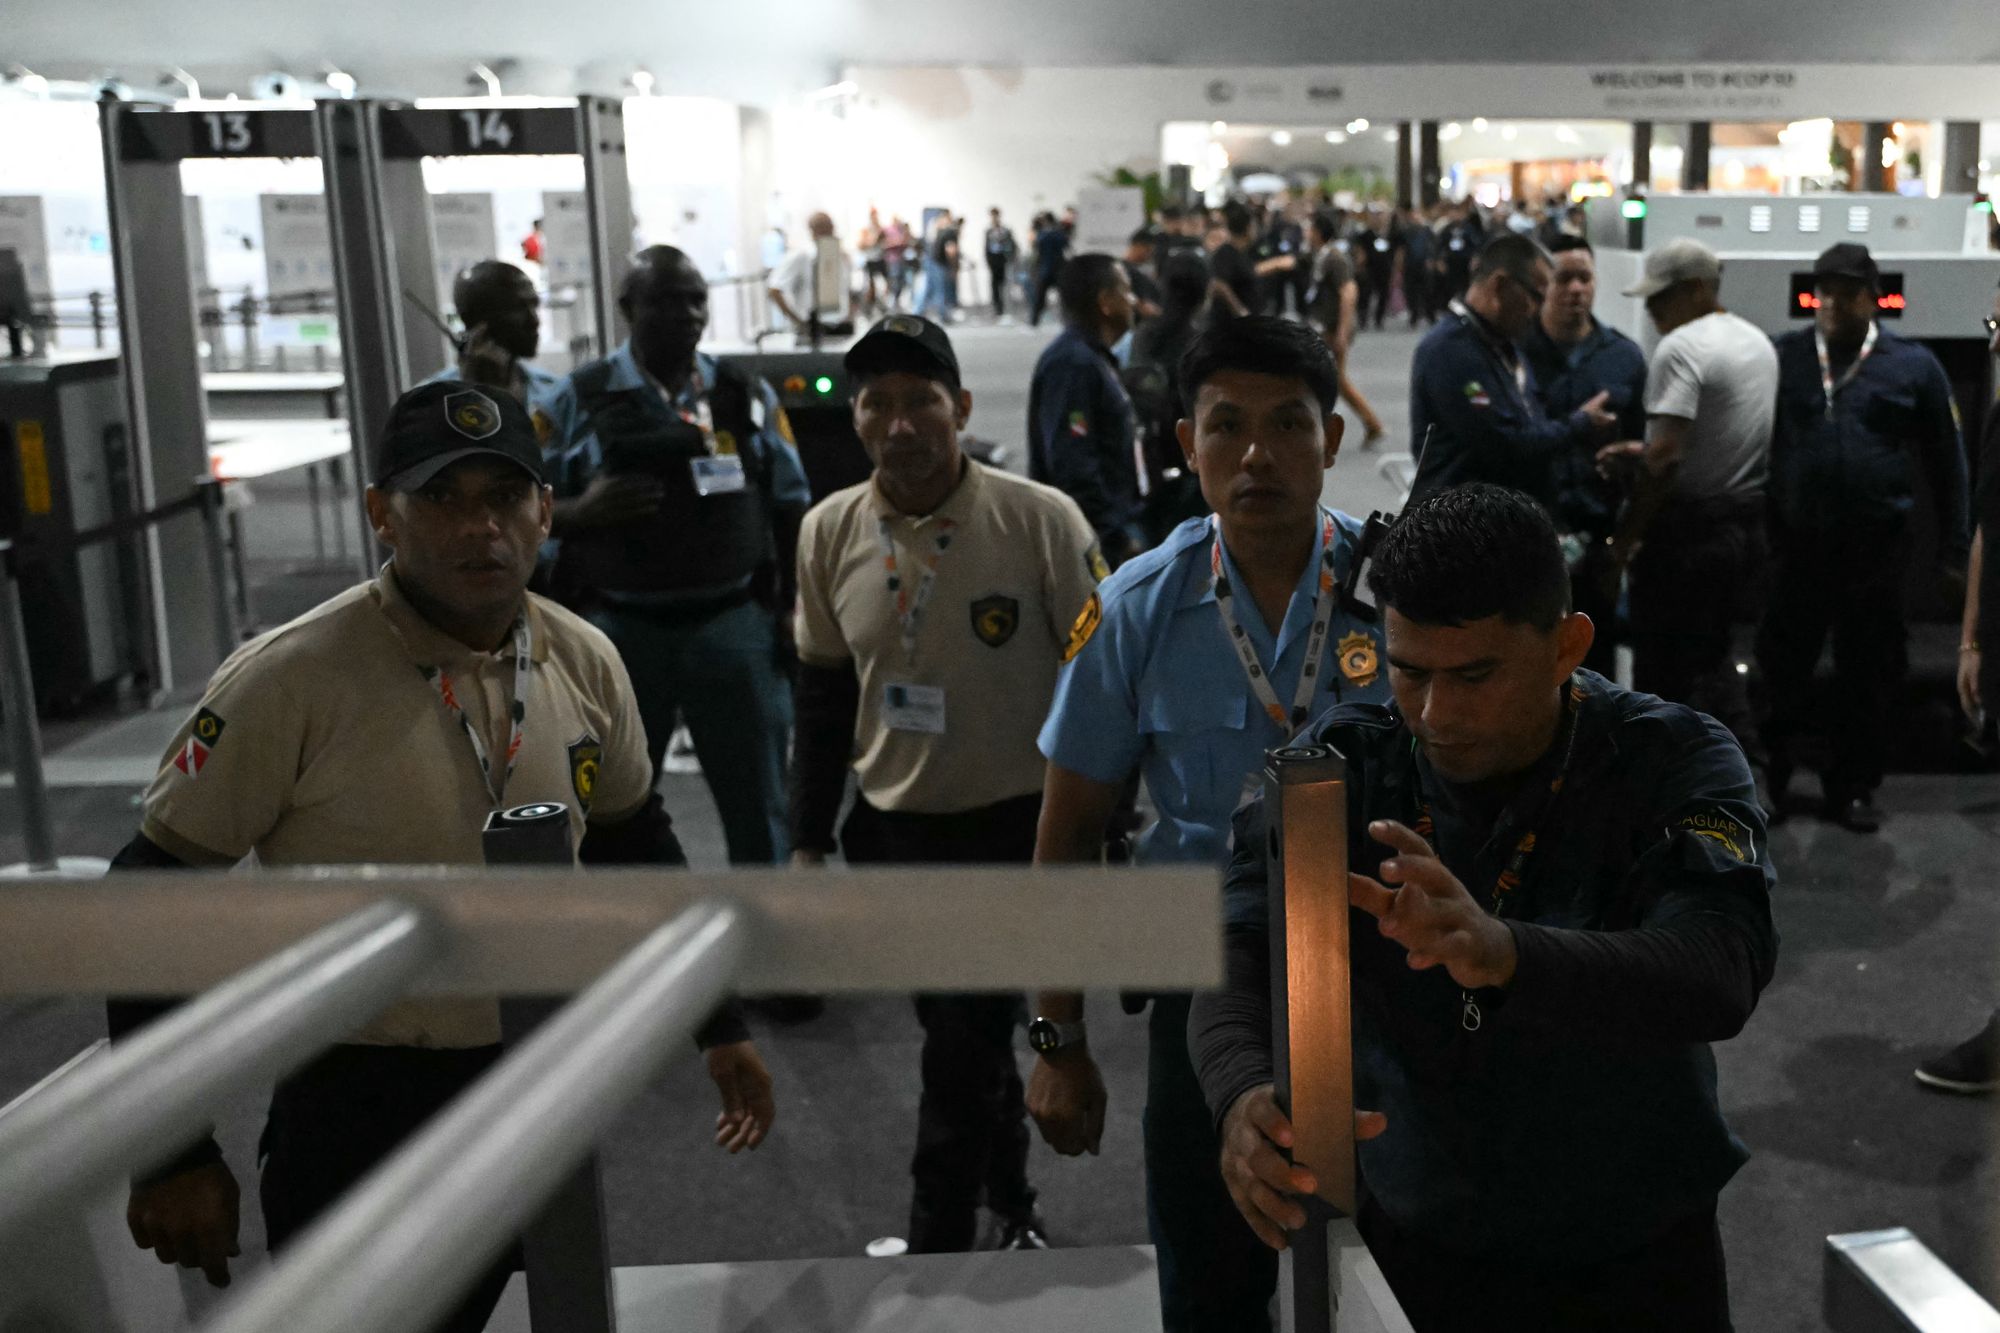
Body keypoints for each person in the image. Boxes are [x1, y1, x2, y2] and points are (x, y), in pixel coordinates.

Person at [109, 382, 773, 1327]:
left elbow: (635, 838)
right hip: (358, 1094)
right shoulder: (294, 677)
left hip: (538, 1078)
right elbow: (150, 892)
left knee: (544, 1308)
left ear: (545, 509)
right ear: (382, 515)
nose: (481, 528)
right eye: (443, 497)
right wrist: (169, 1146)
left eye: (504, 496)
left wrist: (721, 1023)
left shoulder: (584, 659)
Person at [1192, 483, 1776, 1333]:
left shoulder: (1670, 757)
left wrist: (1507, 953)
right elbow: (1233, 946)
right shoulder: (1342, 768)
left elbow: (1721, 967)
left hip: (1634, 1255)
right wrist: (1241, 1089)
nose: (1436, 714)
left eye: (1475, 675)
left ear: (1568, 645)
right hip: (1419, 1250)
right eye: (1410, 671)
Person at [1034, 315, 1390, 1331]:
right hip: (1203, 991)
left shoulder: (1394, 592)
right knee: (1207, 1284)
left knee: (1391, 1268)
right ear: (1185, 446)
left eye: (1287, 424)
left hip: (1378, 974)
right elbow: (1066, 834)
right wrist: (1056, 1036)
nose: (1255, 455)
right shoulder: (1136, 607)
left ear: (1329, 438)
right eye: (1224, 426)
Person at [789, 313, 1100, 1251]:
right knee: (965, 1031)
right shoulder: (828, 530)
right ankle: (1011, 1204)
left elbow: (1104, 676)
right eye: (875, 403)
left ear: (959, 407)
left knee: (956, 1049)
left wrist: (1105, 815)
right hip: (897, 831)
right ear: (855, 420)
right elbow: (819, 693)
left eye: (920, 401)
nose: (899, 424)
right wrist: (805, 841)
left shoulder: (1038, 520)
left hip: (1020, 828)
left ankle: (935, 1243)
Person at [541, 246, 810, 867]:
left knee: (761, 811)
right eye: (666, 300)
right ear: (627, 308)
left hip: (733, 625)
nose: (688, 313)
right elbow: (518, 505)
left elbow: (791, 500)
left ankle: (770, 942)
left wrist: (793, 606)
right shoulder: (578, 398)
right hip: (618, 634)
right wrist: (582, 512)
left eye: (696, 299)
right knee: (611, 810)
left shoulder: (741, 392)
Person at [1755, 243, 1969, 831]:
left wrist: (1954, 551)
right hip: (1798, 546)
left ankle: (1851, 788)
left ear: (1873, 299)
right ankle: (1771, 778)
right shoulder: (1783, 358)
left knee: (1868, 670)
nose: (1831, 302)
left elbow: (1948, 466)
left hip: (1874, 550)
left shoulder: (1913, 365)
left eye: (1846, 292)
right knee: (1783, 665)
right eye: (1823, 291)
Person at [1596, 238, 1777, 776]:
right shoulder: (1755, 343)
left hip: (1690, 536)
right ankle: (1743, 773)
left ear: (1696, 290)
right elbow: (1715, 439)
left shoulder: (1680, 350)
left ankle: (1675, 787)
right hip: (1746, 526)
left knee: (1668, 671)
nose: (1651, 310)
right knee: (1716, 654)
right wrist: (1643, 452)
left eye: (1660, 297)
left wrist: (1623, 543)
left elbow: (1667, 461)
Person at [1408, 233, 1618, 512]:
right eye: (1535, 296)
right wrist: (1580, 423)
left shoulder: (1502, 344)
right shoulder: (1451, 352)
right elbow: (1508, 445)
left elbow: (1529, 424)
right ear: (1500, 286)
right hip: (1462, 531)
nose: (1539, 309)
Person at [1520, 235, 1648, 675]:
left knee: (1597, 664)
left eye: (1585, 278)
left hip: (1596, 540)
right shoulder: (1515, 356)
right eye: (1564, 278)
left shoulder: (1623, 356)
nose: (1576, 289)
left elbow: (1642, 442)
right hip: (1531, 539)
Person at [1028, 253, 1147, 565]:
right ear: (1105, 302)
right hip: (1094, 543)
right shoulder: (1072, 365)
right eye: (1126, 290)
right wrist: (1113, 537)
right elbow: (1072, 462)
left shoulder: (1093, 359)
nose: (1133, 300)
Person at [421, 260, 566, 435]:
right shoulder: (429, 403)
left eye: (534, 305)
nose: (535, 320)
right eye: (518, 308)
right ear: (478, 321)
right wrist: (472, 394)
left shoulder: (554, 392)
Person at [1127, 254, 1213, 538]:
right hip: (1189, 461)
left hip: (1144, 460)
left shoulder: (1141, 337)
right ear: (1204, 293)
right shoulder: (1203, 344)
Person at [1304, 208, 1387, 450]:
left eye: (1309, 229)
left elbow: (1349, 292)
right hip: (1323, 328)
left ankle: (1371, 424)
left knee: (1334, 381)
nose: (1306, 233)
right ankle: (1370, 424)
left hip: (1331, 330)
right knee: (1333, 381)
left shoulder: (1334, 258)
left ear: (1318, 232)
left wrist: (1342, 330)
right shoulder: (1319, 256)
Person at [766, 211, 855, 341]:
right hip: (812, 329)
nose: (828, 230)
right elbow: (775, 289)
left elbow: (847, 290)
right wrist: (799, 322)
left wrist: (850, 315)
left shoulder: (839, 257)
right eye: (822, 227)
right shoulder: (802, 255)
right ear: (813, 229)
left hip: (839, 327)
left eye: (829, 226)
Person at [1207, 200, 1259, 320]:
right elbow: (1219, 284)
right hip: (1229, 324)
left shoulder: (1243, 254)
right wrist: (1240, 311)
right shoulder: (1225, 253)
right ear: (1248, 227)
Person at [1029, 212, 1069, 327]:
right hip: (1047, 269)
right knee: (1040, 297)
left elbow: (1064, 244)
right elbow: (1037, 246)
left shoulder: (1055, 233)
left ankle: (1067, 321)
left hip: (1054, 269)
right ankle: (1034, 321)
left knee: (1063, 297)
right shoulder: (1046, 233)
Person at [984, 207, 1018, 320]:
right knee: (994, 285)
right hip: (993, 260)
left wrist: (1011, 258)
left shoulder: (1005, 231)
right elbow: (986, 247)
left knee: (1004, 284)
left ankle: (1005, 308)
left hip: (1003, 259)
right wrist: (988, 261)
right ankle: (997, 308)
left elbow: (1012, 245)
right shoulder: (988, 231)